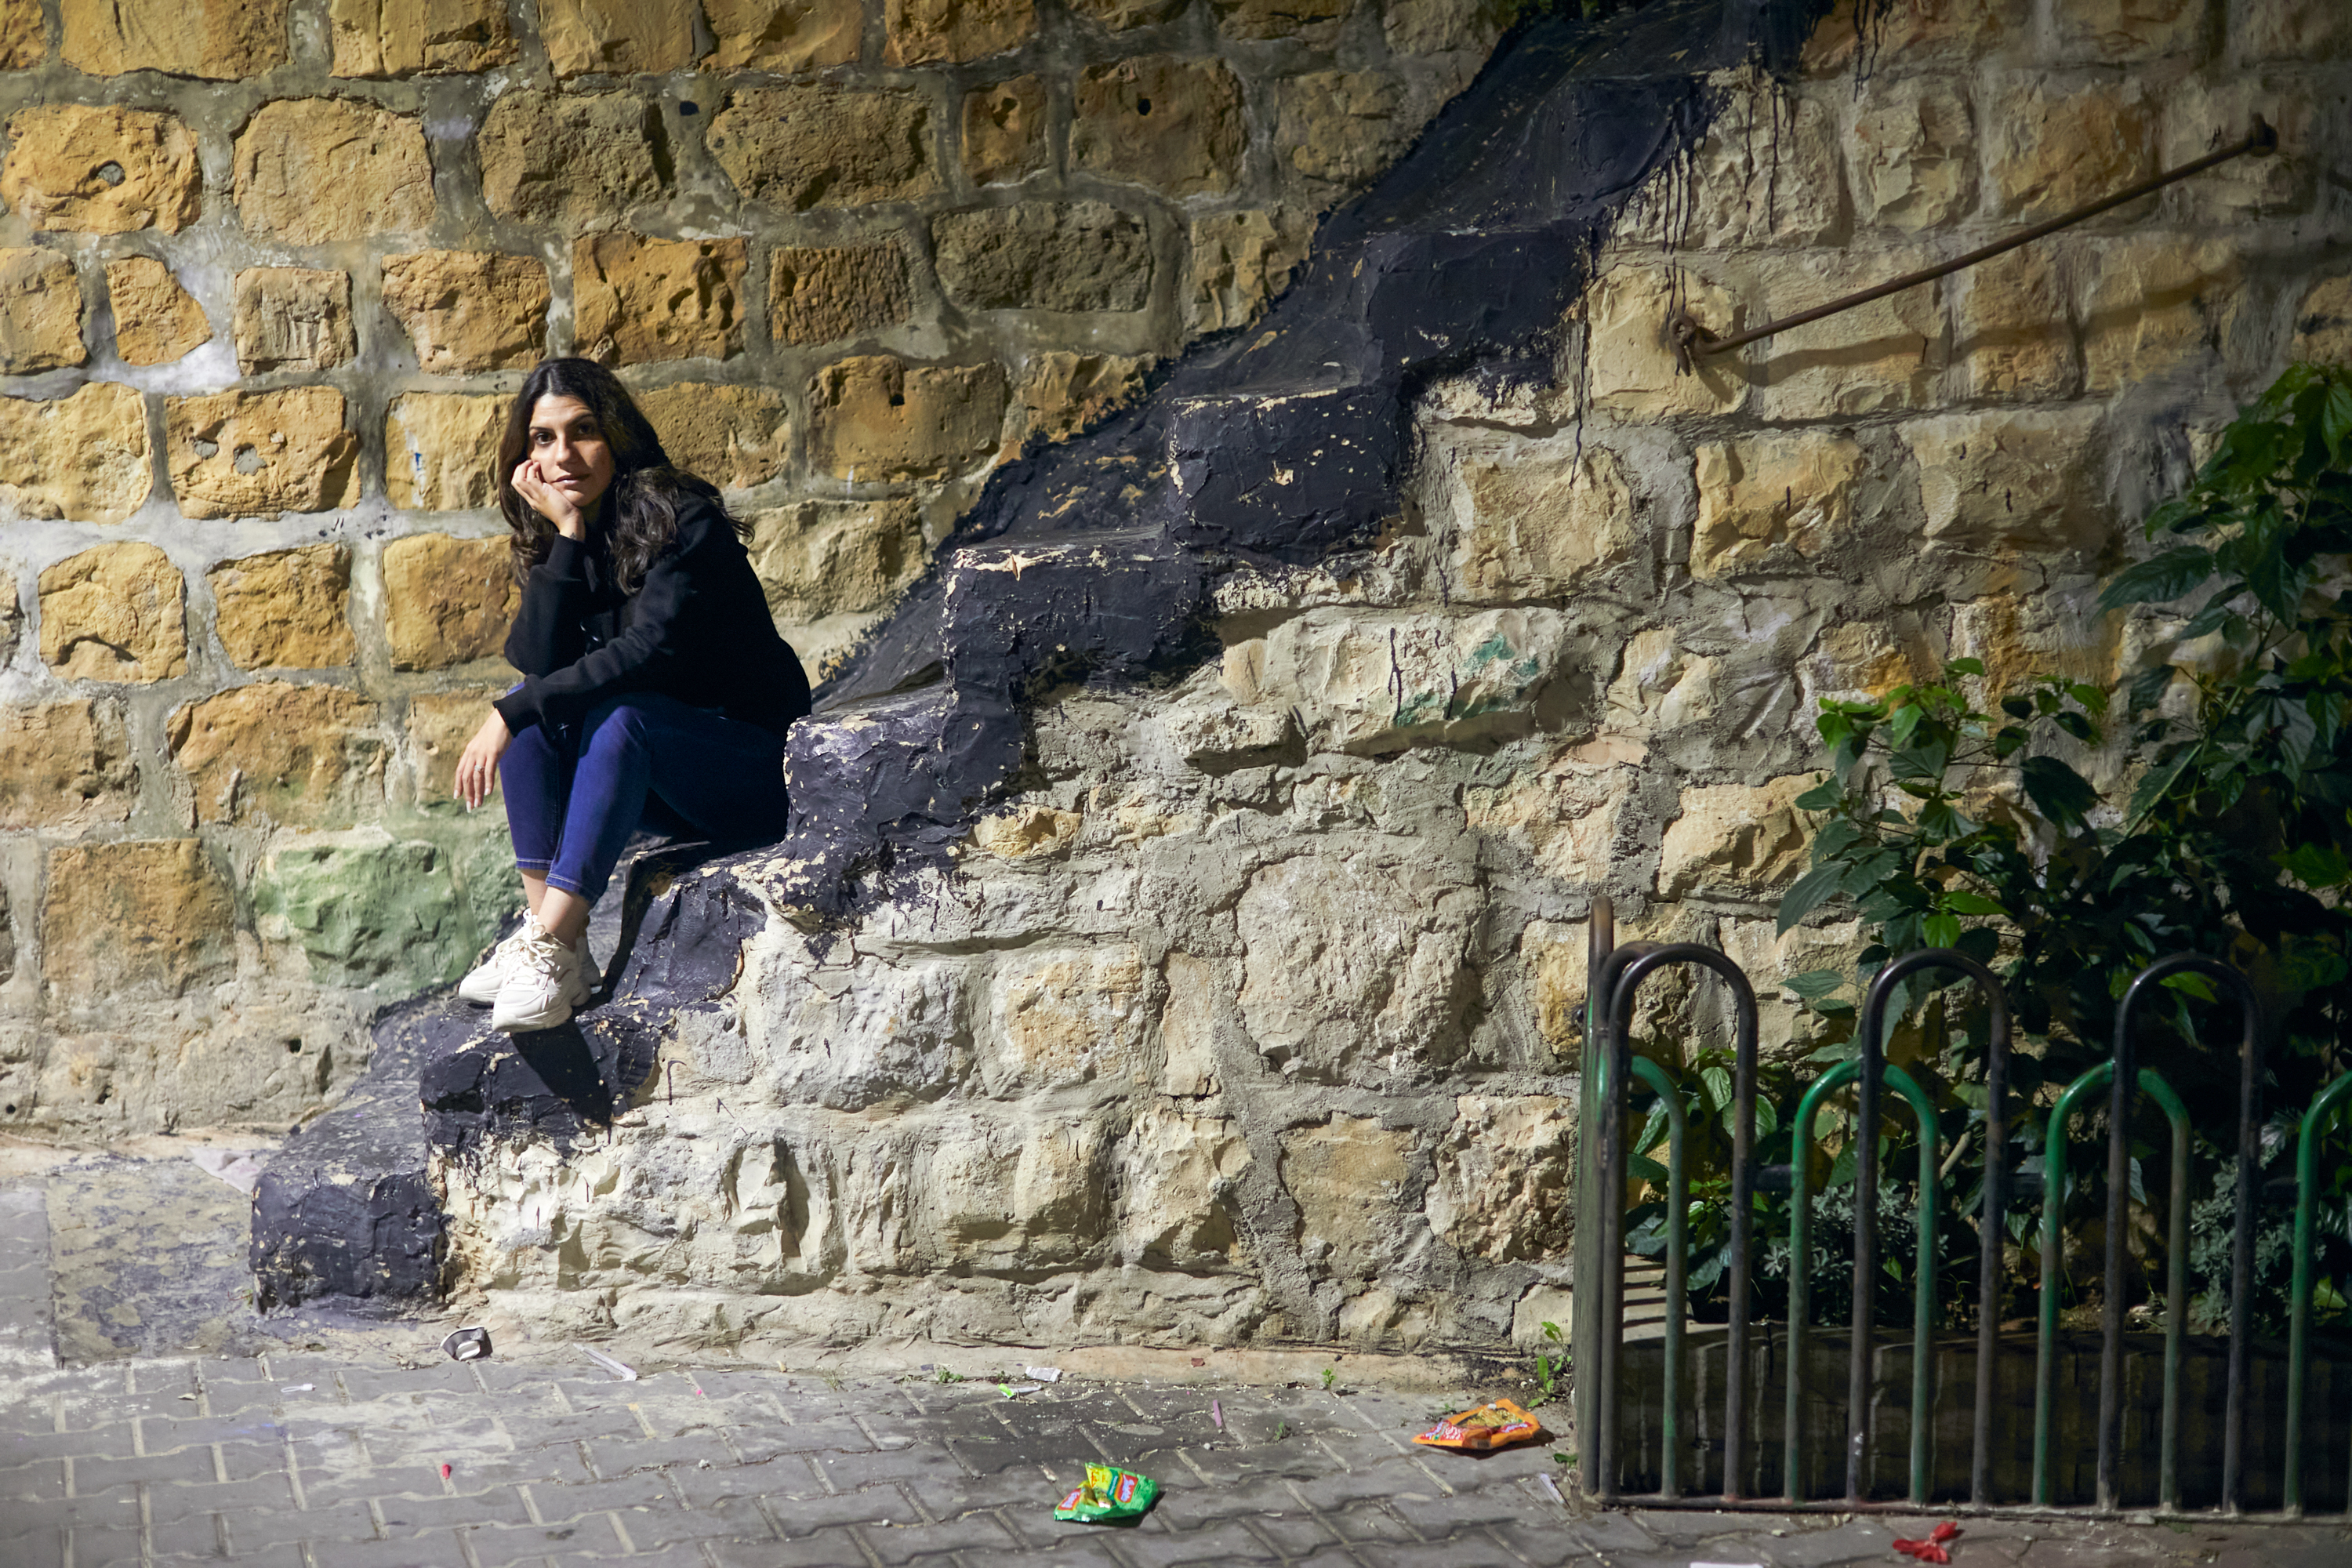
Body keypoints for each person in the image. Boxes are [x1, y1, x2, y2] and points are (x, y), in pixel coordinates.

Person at [450, 358, 811, 1032]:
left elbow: (648, 651)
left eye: (582, 431)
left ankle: (549, 939)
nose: (564, 455)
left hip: (753, 770)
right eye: (544, 438)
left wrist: (512, 711)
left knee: (614, 720)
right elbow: (539, 664)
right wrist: (563, 538)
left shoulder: (683, 518)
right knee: (532, 713)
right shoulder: (572, 528)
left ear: (614, 433)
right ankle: (559, 947)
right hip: (662, 776)